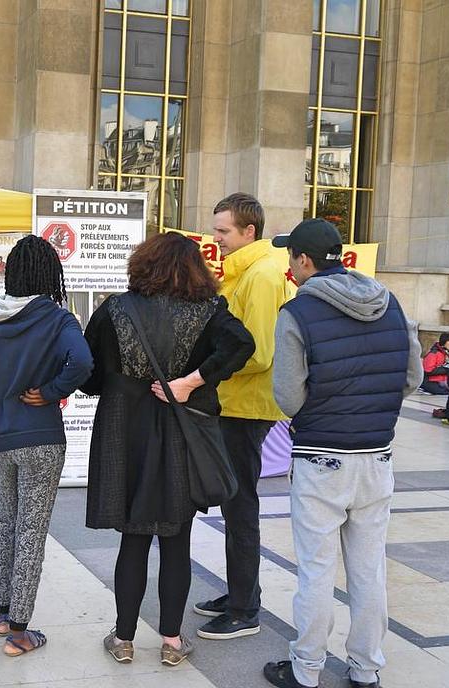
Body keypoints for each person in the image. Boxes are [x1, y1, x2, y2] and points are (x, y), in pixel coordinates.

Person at [82, 232, 254, 666]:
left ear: (143, 264)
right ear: (195, 269)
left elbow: (89, 374)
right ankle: (172, 642)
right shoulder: (209, 310)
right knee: (176, 539)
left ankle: (123, 639)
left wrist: (119, 383)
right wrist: (191, 381)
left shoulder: (115, 308)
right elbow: (242, 344)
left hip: (125, 434)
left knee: (134, 537)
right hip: (180, 433)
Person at [263, 218, 422, 688]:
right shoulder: (389, 302)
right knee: (369, 570)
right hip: (377, 456)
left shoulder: (297, 313)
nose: (289, 267)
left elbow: (288, 397)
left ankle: (306, 669)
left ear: (304, 260)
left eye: (291, 257)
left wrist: (326, 409)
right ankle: (366, 669)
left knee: (316, 570)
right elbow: (411, 378)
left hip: (321, 458)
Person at [0, 235, 94, 656]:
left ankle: (2, 611)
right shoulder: (58, 319)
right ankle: (20, 630)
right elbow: (83, 362)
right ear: (50, 274)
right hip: (40, 437)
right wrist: (50, 392)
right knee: (31, 529)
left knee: (6, 522)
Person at [194, 192, 290, 640]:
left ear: (249, 231)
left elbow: (258, 352)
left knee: (240, 506)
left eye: (223, 231)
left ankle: (244, 609)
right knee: (233, 505)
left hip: (247, 407)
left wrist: (202, 373)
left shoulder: (263, 275)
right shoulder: (246, 270)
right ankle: (239, 592)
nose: (216, 238)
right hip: (234, 403)